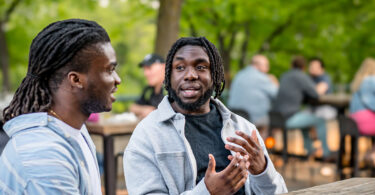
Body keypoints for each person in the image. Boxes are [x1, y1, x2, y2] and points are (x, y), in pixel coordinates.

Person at [123, 37, 287, 195]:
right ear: (168, 77)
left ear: (214, 75)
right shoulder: (147, 135)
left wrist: (262, 171)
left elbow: (279, 192)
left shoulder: (244, 129)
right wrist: (208, 192)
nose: (190, 75)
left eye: (201, 67)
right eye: (180, 67)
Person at [0, 19, 121, 194]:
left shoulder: (73, 131)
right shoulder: (44, 154)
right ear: (76, 80)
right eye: (110, 70)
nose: (117, 80)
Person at [273, 56, 330, 158]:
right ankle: (326, 153)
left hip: (276, 117)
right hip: (288, 118)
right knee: (320, 121)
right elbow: (315, 94)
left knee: (305, 121)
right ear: (304, 68)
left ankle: (309, 151)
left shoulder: (284, 76)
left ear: (291, 66)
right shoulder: (302, 76)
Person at [228, 54, 278, 138]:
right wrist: (274, 81)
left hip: (235, 117)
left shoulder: (239, 75)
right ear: (257, 65)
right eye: (266, 66)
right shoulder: (263, 78)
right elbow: (276, 95)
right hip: (253, 119)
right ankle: (263, 148)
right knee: (269, 122)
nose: (268, 69)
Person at [349, 58, 375, 166]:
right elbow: (368, 100)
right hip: (365, 120)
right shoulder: (371, 80)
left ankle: (371, 153)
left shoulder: (357, 81)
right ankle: (372, 154)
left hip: (353, 121)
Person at [130, 54, 166, 119]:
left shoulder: (172, 90)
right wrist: (144, 110)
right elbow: (132, 107)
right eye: (144, 69)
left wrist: (153, 112)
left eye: (149, 68)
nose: (145, 73)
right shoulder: (149, 90)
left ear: (163, 67)